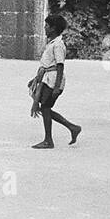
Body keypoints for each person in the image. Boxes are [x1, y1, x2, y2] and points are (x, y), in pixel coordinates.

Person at [28, 13, 82, 148]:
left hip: (52, 80)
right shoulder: (52, 43)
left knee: (45, 107)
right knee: (45, 107)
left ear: (53, 28)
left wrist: (57, 87)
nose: (45, 28)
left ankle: (49, 140)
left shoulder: (58, 45)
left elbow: (60, 65)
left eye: (47, 26)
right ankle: (72, 127)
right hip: (48, 78)